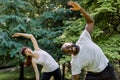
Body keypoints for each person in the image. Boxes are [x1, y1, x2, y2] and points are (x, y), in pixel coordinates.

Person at [61, 1, 118, 80]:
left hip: (107, 69)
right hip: (93, 75)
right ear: (69, 54)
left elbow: (91, 22)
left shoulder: (83, 39)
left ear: (71, 43)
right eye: (68, 51)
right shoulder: (75, 62)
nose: (70, 48)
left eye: (68, 46)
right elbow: (75, 78)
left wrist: (80, 9)